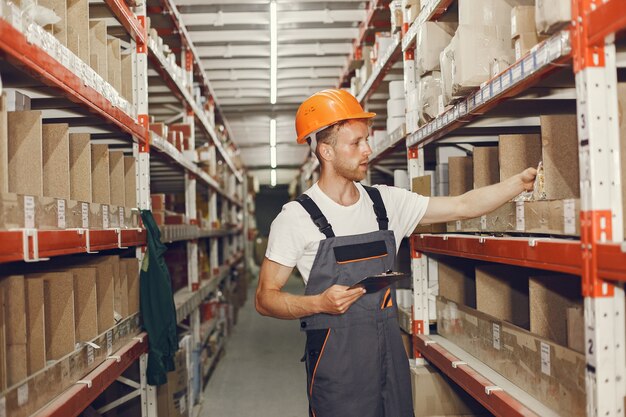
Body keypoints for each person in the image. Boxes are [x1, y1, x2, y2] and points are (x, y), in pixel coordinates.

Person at [255, 89, 537, 417]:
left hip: (389, 352)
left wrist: (517, 184)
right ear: (326, 151)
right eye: (356, 143)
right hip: (337, 361)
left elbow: (463, 204)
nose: (367, 150)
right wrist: (317, 303)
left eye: (366, 140)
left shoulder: (385, 202)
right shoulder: (297, 217)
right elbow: (265, 298)